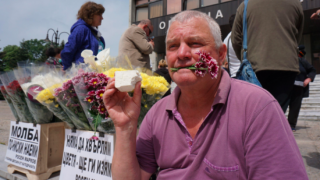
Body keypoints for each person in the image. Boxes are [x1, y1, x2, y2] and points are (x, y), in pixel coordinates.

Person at [103, 10, 308, 180]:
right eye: (173, 46)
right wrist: (125, 127)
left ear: (220, 54)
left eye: (195, 44)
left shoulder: (257, 107)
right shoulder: (157, 114)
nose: (182, 54)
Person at [231, 0, 304, 112]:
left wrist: (244, 60)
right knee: (277, 113)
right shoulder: (295, 4)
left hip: (255, 65)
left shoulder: (246, 5)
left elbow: (236, 40)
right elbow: (297, 37)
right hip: (287, 65)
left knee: (254, 113)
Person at [61, 1, 105, 70]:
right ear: (90, 15)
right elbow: (68, 51)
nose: (102, 18)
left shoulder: (97, 35)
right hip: (82, 76)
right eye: (99, 14)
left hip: (94, 75)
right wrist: (67, 70)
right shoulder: (81, 29)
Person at [287, 46, 316, 132]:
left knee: (295, 107)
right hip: (284, 87)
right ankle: (276, 124)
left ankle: (291, 125)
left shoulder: (302, 61)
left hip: (298, 88)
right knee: (280, 105)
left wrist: (309, 78)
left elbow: (312, 70)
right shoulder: (284, 60)